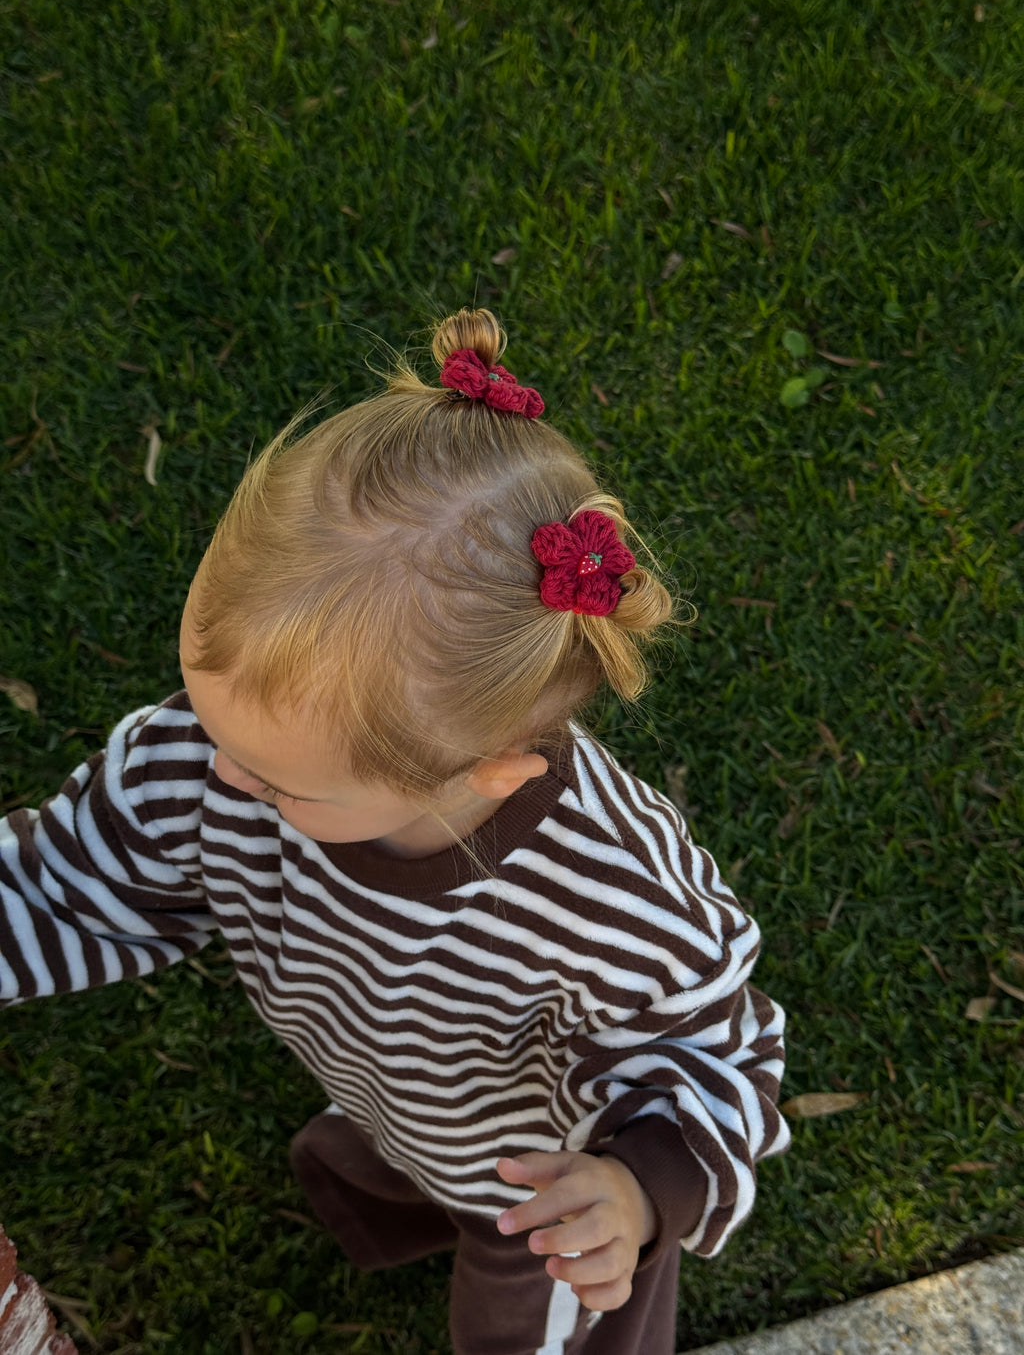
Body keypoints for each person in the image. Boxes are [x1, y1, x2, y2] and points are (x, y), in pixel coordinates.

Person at [0, 308, 790, 1355]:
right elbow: (68, 881)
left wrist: (640, 1188)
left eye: (275, 779)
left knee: (530, 1328)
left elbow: (712, 1057)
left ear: (487, 775)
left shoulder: (610, 895)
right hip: (396, 1087)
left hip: (541, 1192)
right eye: (204, 706)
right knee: (393, 1154)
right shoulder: (217, 751)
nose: (214, 772)